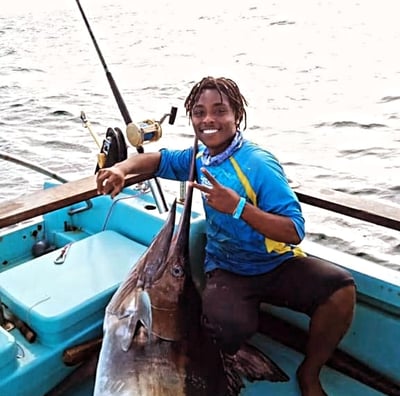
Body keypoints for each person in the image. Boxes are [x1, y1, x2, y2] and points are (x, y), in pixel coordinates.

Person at [96, 76, 356, 396]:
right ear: (191, 117)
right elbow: (157, 160)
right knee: (225, 328)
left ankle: (310, 371)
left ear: (237, 116)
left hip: (274, 264)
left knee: (341, 289)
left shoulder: (258, 164)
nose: (208, 120)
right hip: (228, 269)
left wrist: (238, 208)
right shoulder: (200, 157)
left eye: (219, 111)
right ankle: (225, 365)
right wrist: (122, 170)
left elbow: (294, 230)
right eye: (199, 112)